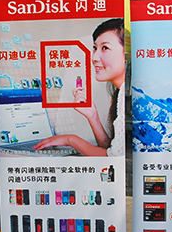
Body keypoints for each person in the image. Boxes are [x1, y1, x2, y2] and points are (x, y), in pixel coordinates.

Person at [33, 18, 126, 156]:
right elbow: (111, 149)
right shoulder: (120, 92)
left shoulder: (130, 95)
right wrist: (92, 116)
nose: (94, 57)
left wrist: (70, 139)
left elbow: (112, 158)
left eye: (105, 48)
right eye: (95, 48)